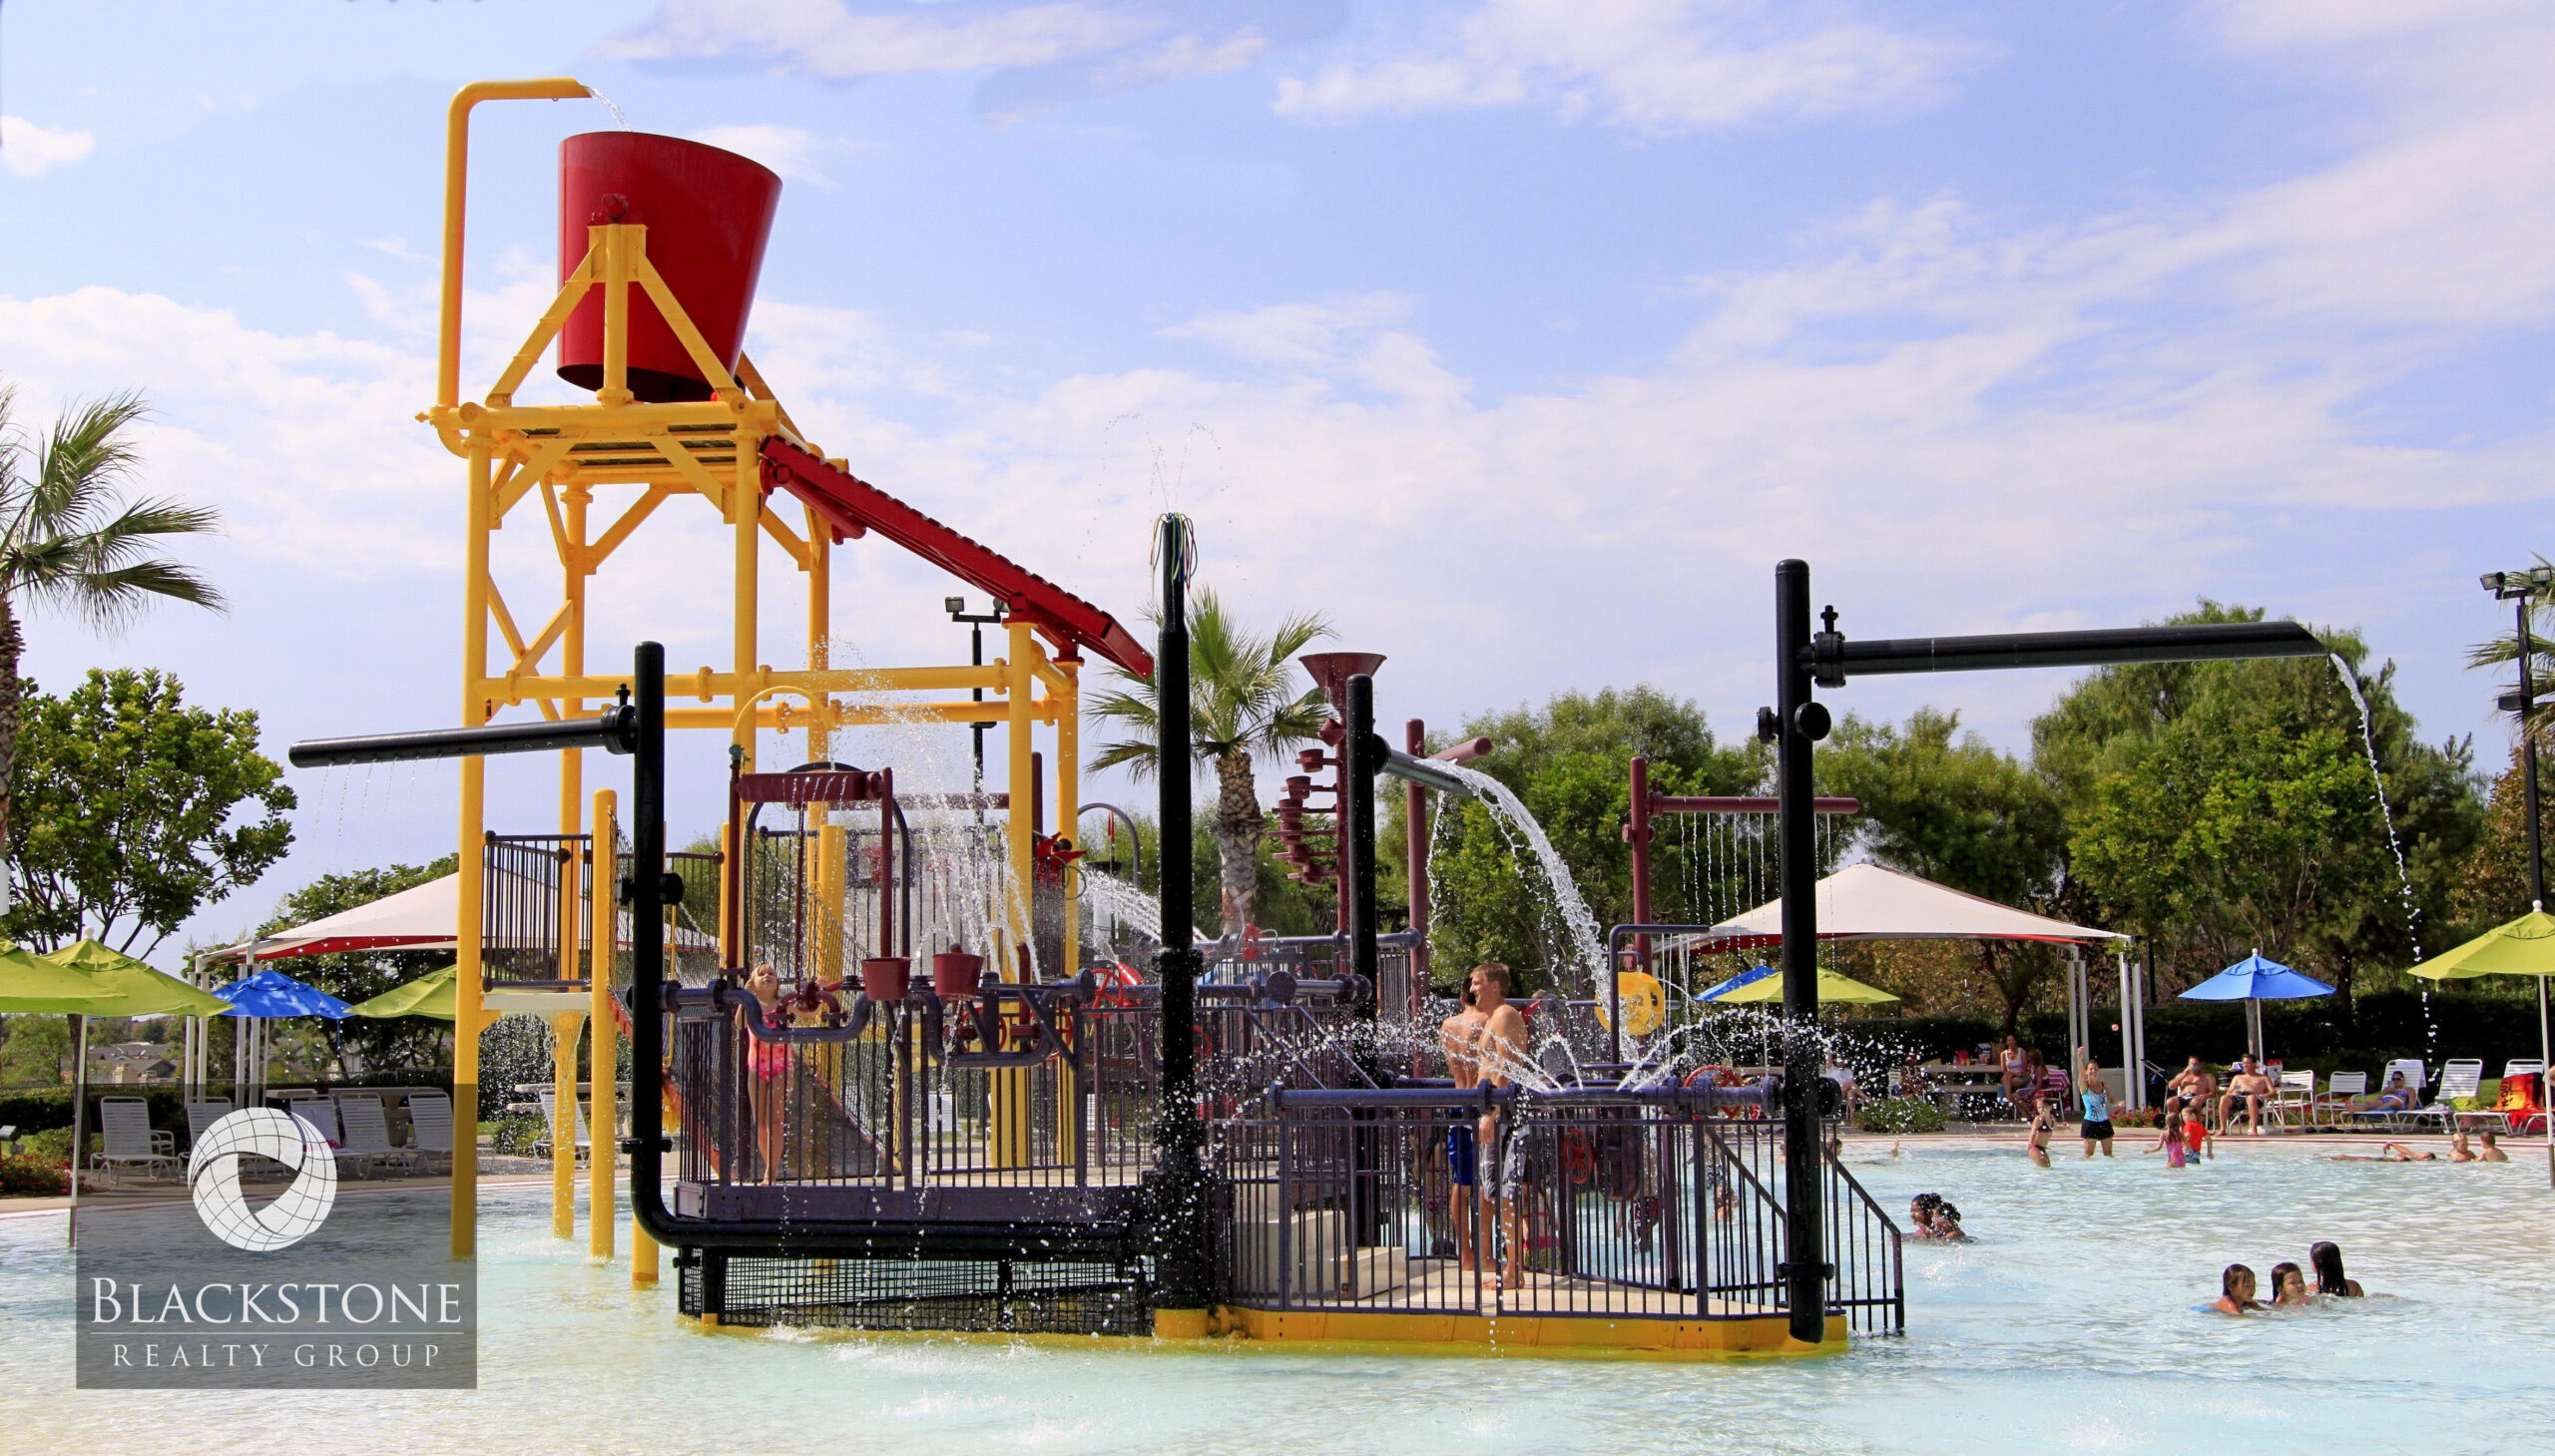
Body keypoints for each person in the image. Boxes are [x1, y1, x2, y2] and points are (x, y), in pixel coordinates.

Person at [1470, 962, 1532, 1290]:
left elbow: (1507, 1066)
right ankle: (1510, 1266)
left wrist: (1492, 1113)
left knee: (1507, 1193)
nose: (1472, 990)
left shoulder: (1506, 1015)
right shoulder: (1490, 1019)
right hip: (1496, 1116)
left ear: (1495, 985)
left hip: (1508, 1116)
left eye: (1478, 983)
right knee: (1494, 1192)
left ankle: (1513, 1270)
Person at [1438, 982, 1490, 1272]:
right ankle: (1486, 1253)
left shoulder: (1448, 1025)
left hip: (1458, 1102)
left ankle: (1466, 1254)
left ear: (1461, 1000)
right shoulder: (1487, 1021)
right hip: (1482, 1106)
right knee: (1486, 1178)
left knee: (1461, 1180)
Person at [741, 962, 789, 1185]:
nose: (767, 976)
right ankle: (769, 1167)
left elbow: (808, 1013)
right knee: (759, 1121)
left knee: (774, 1120)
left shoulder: (783, 1004)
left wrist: (821, 993)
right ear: (754, 982)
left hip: (781, 1065)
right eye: (761, 974)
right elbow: (739, 1023)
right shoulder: (751, 1004)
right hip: (756, 1066)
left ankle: (771, 1172)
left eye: (771, 973)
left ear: (777, 982)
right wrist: (745, 996)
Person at [2218, 1056, 2277, 1135]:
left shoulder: (2263, 1078)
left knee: (2251, 1098)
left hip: (2255, 1098)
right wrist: (2234, 1092)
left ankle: (2253, 1129)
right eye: (2244, 1063)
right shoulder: (2238, 1077)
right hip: (2240, 1098)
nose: (2245, 1065)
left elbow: (2273, 1091)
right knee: (2224, 1098)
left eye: (2248, 1063)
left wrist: (2264, 1095)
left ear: (2254, 1064)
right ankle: (2222, 1129)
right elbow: (2229, 1092)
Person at [2079, 1060, 2115, 1158]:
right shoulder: (2084, 1086)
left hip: (2104, 1122)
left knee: (2109, 1155)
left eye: (2095, 1069)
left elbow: (2112, 1100)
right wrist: (2079, 1057)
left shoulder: (2104, 1085)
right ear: (2086, 1071)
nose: (2093, 1071)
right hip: (2090, 1123)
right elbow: (2081, 1074)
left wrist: (2118, 1104)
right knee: (2088, 1155)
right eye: (2091, 1069)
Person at [1997, 1036, 2030, 1115]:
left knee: (2008, 1081)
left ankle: (2009, 1101)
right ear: (2006, 1042)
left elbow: (2025, 1068)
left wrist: (2018, 1074)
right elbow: (2004, 1070)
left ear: (2015, 1041)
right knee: (2006, 1077)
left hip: (2021, 1076)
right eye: (2008, 1041)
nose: (2010, 1042)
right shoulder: (2003, 1054)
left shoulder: (2021, 1051)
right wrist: (2013, 1073)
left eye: (2012, 1040)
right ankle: (2010, 1100)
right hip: (2009, 1076)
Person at [2325, 1142, 2436, 1162]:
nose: (2421, 1152)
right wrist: (2392, 1144)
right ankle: (2324, 1157)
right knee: (2344, 1156)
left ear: (2425, 1158)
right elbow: (2406, 1151)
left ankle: (2325, 1158)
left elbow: (2405, 1152)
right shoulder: (2415, 1158)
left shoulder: (2417, 1160)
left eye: (2424, 1153)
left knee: (2346, 1157)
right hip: (2383, 1160)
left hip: (2382, 1161)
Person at [2025, 1100, 2054, 1168]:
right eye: (2039, 1108)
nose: (2041, 1109)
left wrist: (2066, 1128)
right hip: (2035, 1147)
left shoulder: (2052, 1119)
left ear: (2050, 1107)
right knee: (2044, 1168)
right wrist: (2030, 1143)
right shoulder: (2038, 1119)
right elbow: (2033, 1132)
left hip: (2042, 1148)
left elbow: (2056, 1127)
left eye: (2043, 1107)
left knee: (2047, 1167)